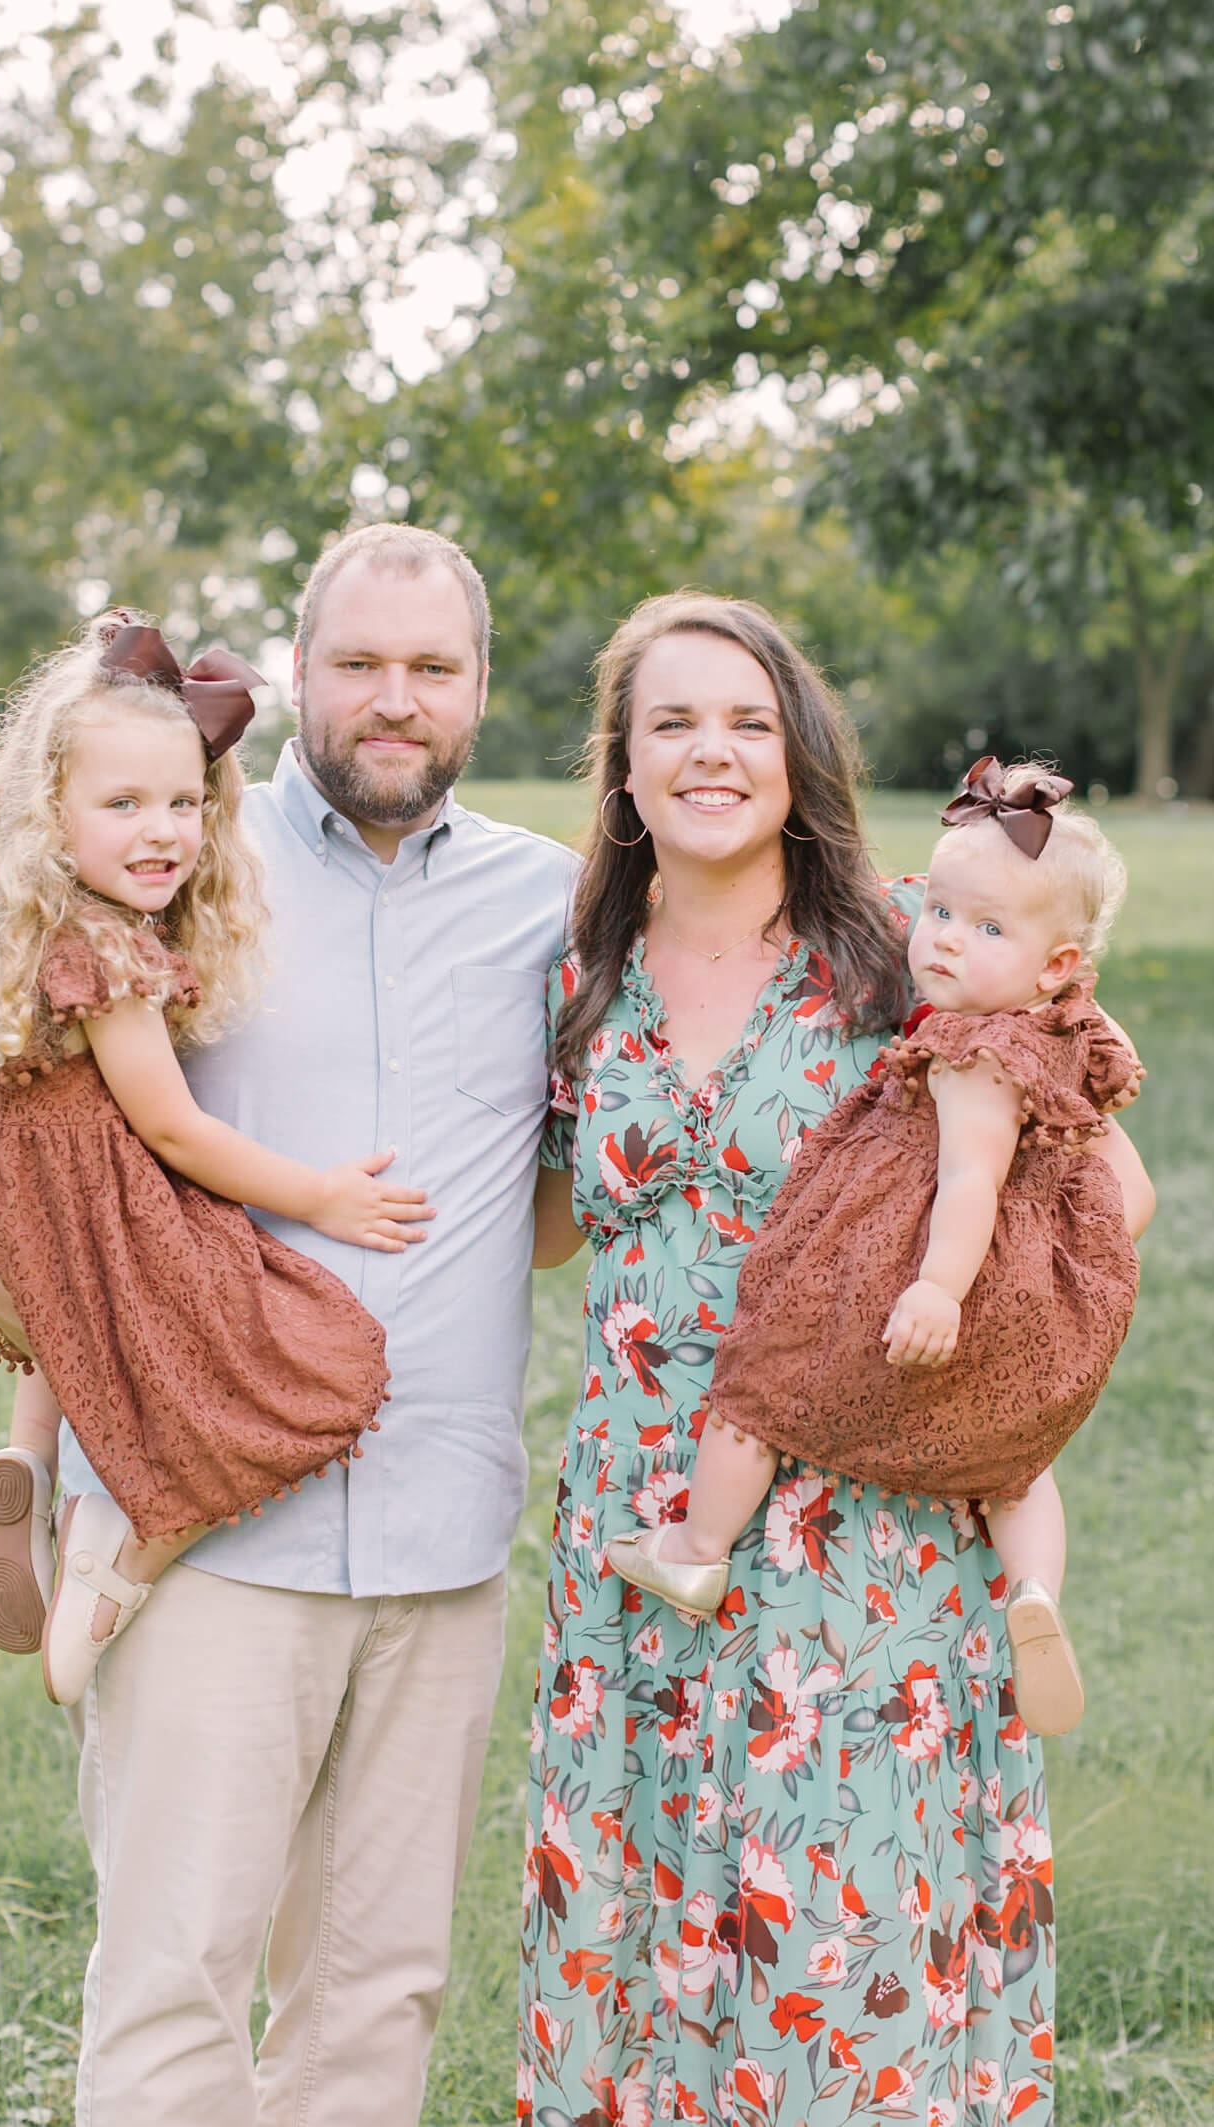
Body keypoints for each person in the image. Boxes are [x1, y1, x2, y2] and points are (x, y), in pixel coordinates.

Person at [0, 522, 579, 2127]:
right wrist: (45, 1322)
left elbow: (594, 1162)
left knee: (374, 1989)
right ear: (297, 671)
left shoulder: (551, 899)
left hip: (441, 1527)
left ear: (476, 687)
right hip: (204, 1535)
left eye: (431, 667)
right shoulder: (182, 859)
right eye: (359, 663)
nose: (395, 699)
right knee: (175, 1972)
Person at [523, 593, 1154, 2127]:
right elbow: (550, 1223)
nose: (711, 750)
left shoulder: (910, 947)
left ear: (798, 757)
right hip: (642, 1517)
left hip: (860, 1531)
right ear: (621, 767)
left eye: (747, 719)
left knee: (837, 1947)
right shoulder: (574, 970)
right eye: (670, 720)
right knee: (640, 1931)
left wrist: (958, 1358)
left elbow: (1108, 1195)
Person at [0, 612, 417, 1707]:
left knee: (76, 1333)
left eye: (183, 803)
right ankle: (122, 1567)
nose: (163, 831)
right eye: (122, 805)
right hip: (108, 1212)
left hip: (24, 1215)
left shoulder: (6, 921)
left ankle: (27, 1463)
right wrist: (319, 1196)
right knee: (306, 1371)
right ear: (50, 817)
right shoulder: (109, 955)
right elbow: (173, 1130)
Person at [608, 754, 1143, 1740]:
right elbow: (1124, 1191)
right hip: (1015, 1289)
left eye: (984, 929)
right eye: (937, 912)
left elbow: (968, 1180)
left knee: (763, 1385)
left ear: (1055, 963)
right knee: (1016, 1466)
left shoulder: (968, 1052)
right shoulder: (1063, 1029)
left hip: (917, 1275)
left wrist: (940, 1287)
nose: (940, 941)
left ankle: (696, 1541)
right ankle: (1033, 1591)